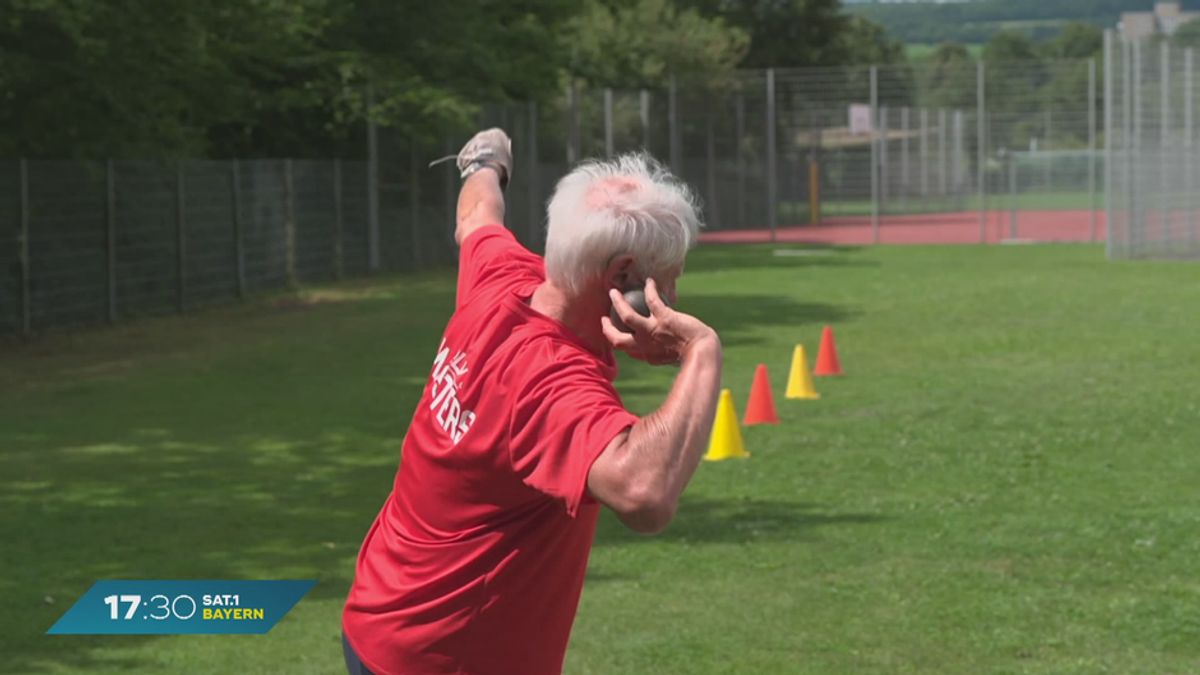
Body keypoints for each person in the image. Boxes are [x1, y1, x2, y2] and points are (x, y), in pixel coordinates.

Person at [341, 128, 723, 675]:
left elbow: (476, 219)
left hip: (379, 617)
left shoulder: (501, 279)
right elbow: (645, 494)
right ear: (623, 278)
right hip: (444, 659)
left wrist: (485, 162)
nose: (675, 299)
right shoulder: (550, 384)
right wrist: (701, 351)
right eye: (669, 282)